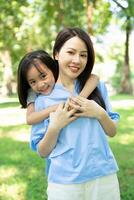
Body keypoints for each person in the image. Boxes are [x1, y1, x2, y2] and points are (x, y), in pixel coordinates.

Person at [30, 28, 120, 200]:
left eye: (83, 55)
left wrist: (99, 113)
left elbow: (112, 131)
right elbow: (42, 152)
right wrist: (54, 127)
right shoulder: (43, 99)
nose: (77, 60)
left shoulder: (97, 88)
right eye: (71, 52)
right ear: (56, 54)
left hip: (104, 177)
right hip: (64, 184)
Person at [17, 50, 99, 125]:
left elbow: (94, 78)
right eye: (33, 82)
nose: (40, 85)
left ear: (52, 69)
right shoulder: (32, 92)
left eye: (43, 76)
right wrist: (54, 108)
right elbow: (30, 119)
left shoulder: (63, 77)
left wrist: (79, 100)